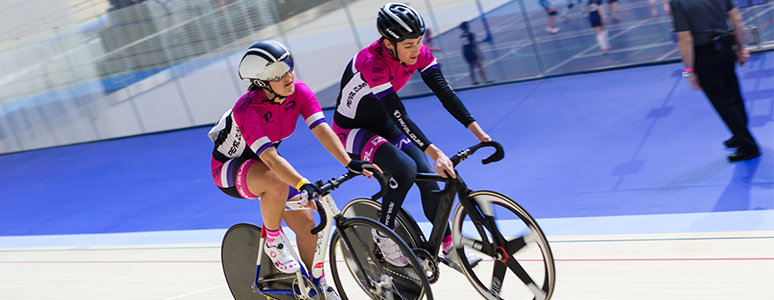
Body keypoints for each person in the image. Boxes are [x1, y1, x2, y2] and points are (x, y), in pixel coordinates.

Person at [208, 40, 378, 299]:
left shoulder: (299, 91)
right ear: (262, 82)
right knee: (276, 182)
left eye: (289, 67)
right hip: (230, 168)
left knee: (309, 223)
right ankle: (274, 242)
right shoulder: (248, 109)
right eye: (278, 74)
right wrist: (302, 183)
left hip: (264, 165)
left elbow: (321, 129)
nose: (288, 76)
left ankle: (314, 286)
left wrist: (348, 161)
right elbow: (272, 159)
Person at [331, 3, 491, 270]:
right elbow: (400, 116)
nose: (416, 50)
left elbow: (445, 93)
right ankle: (383, 234)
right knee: (405, 169)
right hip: (352, 131)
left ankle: (448, 246)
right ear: (388, 43)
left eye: (419, 41)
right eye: (408, 45)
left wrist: (478, 132)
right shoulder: (372, 62)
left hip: (382, 122)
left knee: (426, 174)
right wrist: (436, 151)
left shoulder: (418, 52)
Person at [671, 0, 760, 161]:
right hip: (726, 47)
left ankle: (748, 145)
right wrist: (741, 48)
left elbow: (685, 39)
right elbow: (737, 20)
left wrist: (689, 72)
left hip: (704, 54)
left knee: (723, 101)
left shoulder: (678, 2)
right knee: (733, 92)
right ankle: (739, 134)